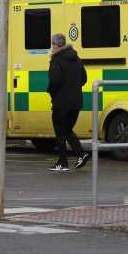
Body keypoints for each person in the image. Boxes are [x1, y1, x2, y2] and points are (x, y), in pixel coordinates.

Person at [47, 33, 89, 173]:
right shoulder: (76, 58)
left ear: (57, 45)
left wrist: (51, 93)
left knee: (60, 132)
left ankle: (63, 162)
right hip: (76, 103)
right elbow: (84, 79)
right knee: (66, 130)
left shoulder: (56, 60)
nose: (51, 47)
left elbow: (55, 81)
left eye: (52, 44)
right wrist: (73, 87)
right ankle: (81, 154)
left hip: (61, 103)